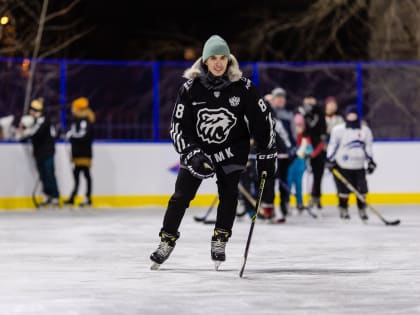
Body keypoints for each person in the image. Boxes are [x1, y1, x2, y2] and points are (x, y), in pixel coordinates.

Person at [150, 35, 277, 270]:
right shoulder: (190, 89)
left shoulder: (244, 88)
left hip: (232, 152)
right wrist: (192, 153)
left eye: (223, 58)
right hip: (199, 153)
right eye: (213, 58)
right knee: (180, 198)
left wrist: (267, 153)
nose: (218, 63)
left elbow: (264, 121)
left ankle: (220, 240)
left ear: (229, 61)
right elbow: (177, 127)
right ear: (205, 61)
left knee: (229, 196)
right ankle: (166, 241)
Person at [325, 105, 376, 220]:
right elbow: (333, 145)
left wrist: (371, 161)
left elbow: (368, 147)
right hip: (343, 165)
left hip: (359, 166)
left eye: (354, 115)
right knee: (343, 192)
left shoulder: (365, 130)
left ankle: (362, 210)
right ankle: (343, 209)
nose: (352, 117)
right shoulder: (338, 130)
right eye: (349, 115)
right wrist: (329, 159)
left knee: (362, 190)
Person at [16, 98, 60, 207]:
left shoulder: (44, 121)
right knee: (43, 175)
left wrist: (26, 134)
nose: (31, 112)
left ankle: (55, 196)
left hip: (47, 152)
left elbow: (37, 134)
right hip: (39, 152)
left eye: (33, 110)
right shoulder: (35, 121)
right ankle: (47, 195)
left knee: (49, 174)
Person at [261, 87, 296, 221]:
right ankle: (269, 208)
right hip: (269, 153)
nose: (281, 100)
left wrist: (293, 148)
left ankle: (284, 205)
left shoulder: (288, 114)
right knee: (268, 182)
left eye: (283, 98)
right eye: (278, 98)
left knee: (283, 181)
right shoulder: (267, 111)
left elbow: (292, 134)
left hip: (284, 154)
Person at [63, 97, 95, 208]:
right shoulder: (76, 120)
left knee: (86, 174)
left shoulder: (85, 121)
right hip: (77, 152)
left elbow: (83, 136)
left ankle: (88, 197)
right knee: (77, 175)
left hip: (84, 152)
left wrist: (71, 136)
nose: (72, 109)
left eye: (74, 108)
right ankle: (74, 197)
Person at [298, 96, 327, 212]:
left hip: (318, 149)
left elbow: (323, 131)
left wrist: (320, 147)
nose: (310, 102)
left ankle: (316, 197)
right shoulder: (300, 112)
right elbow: (300, 130)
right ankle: (302, 199)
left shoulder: (320, 112)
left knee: (318, 174)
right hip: (303, 147)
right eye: (307, 100)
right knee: (303, 175)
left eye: (312, 100)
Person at [287, 113, 313, 212]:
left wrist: (307, 151)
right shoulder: (290, 139)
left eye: (300, 126)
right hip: (290, 165)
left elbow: (310, 149)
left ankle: (299, 202)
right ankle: (287, 202)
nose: (298, 128)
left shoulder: (305, 138)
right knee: (288, 183)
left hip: (300, 165)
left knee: (299, 185)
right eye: (296, 126)